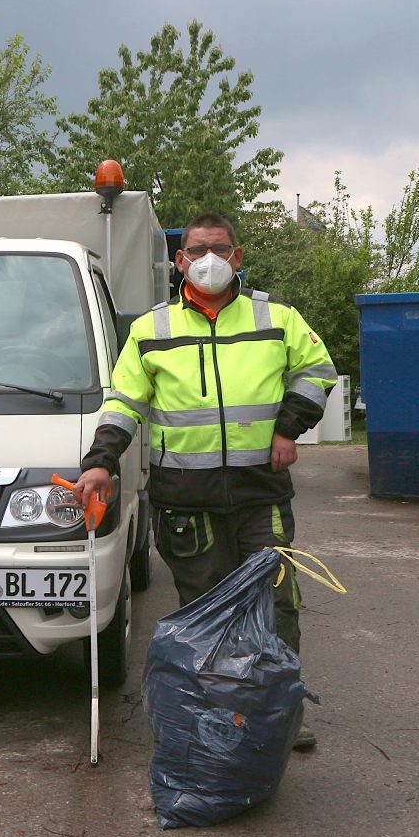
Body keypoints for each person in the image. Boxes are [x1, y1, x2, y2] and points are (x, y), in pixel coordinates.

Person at [73, 213, 336, 748]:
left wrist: (289, 429)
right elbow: (123, 404)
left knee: (275, 604)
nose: (207, 259)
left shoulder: (277, 318)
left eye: (219, 249)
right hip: (186, 503)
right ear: (179, 261)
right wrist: (100, 461)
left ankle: (280, 712)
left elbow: (317, 371)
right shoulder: (151, 330)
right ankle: (222, 717)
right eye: (196, 250)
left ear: (237, 257)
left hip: (261, 493)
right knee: (204, 611)